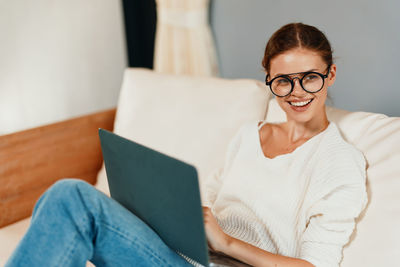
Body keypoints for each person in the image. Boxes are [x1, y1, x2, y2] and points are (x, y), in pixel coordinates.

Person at [6, 22, 368, 267]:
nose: (298, 93)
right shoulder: (247, 135)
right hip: (186, 256)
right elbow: (211, 204)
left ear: (330, 74)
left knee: (73, 198)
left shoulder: (339, 162)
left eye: (310, 78)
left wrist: (226, 243)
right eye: (284, 82)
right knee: (68, 195)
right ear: (270, 81)